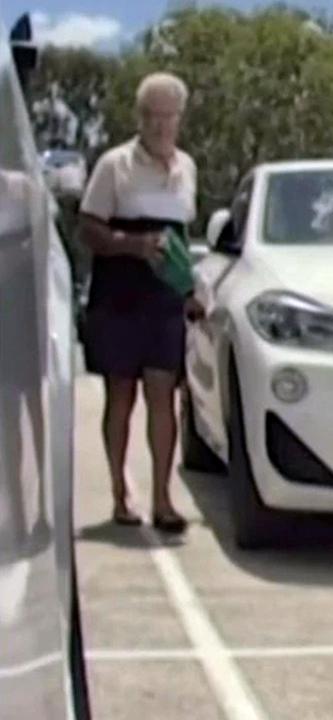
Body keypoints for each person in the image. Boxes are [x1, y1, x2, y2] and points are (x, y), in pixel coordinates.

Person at [78, 72, 203, 533]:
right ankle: (119, 494)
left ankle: (164, 500)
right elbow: (87, 228)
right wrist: (134, 245)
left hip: (164, 300)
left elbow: (183, 240)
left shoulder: (187, 168)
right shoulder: (115, 165)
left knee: (163, 398)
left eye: (168, 116)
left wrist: (190, 291)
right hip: (118, 296)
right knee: (121, 398)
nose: (159, 125)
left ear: (179, 118)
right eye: (151, 116)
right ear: (140, 117)